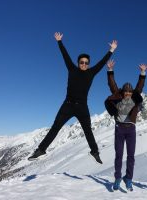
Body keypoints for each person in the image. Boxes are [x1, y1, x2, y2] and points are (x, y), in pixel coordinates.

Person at [28, 32, 118, 164]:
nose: (84, 64)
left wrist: (112, 50)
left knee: (88, 131)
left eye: (86, 63)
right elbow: (65, 56)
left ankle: (95, 152)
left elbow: (102, 62)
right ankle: (41, 150)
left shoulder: (91, 73)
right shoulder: (72, 69)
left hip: (82, 107)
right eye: (81, 62)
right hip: (68, 105)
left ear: (88, 64)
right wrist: (59, 42)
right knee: (55, 127)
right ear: (78, 63)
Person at [104, 60, 146, 191]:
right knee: (119, 155)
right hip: (119, 129)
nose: (127, 93)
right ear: (123, 92)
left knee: (131, 156)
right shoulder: (119, 97)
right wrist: (110, 71)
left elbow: (140, 87)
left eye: (129, 91)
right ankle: (117, 178)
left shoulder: (134, 98)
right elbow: (112, 86)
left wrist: (143, 73)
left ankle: (128, 179)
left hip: (131, 129)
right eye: (126, 91)